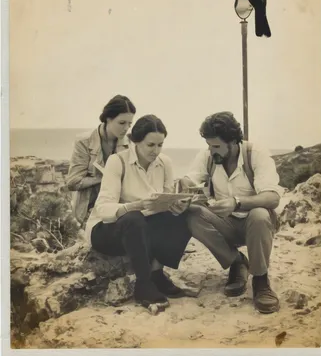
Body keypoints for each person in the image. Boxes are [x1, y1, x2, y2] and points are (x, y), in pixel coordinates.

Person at [179, 112, 284, 314]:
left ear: (234, 142)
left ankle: (261, 280)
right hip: (224, 224)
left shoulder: (256, 153)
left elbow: (273, 197)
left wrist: (236, 203)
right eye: (209, 145)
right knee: (191, 214)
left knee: (260, 214)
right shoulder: (208, 155)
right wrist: (183, 186)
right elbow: (190, 179)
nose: (211, 150)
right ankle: (237, 262)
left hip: (256, 227)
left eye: (216, 146)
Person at [85, 114, 191, 309]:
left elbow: (166, 200)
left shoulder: (165, 162)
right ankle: (144, 284)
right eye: (151, 145)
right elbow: (103, 208)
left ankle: (157, 274)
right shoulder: (118, 161)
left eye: (160, 145)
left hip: (143, 229)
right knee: (134, 219)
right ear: (135, 141)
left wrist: (177, 206)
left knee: (184, 214)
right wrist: (135, 205)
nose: (156, 151)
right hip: (108, 230)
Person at [67, 95, 136, 227]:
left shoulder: (130, 143)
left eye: (129, 124)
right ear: (108, 119)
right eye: (122, 123)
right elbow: (73, 182)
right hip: (87, 211)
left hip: (115, 210)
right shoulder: (84, 142)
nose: (126, 128)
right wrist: (107, 176)